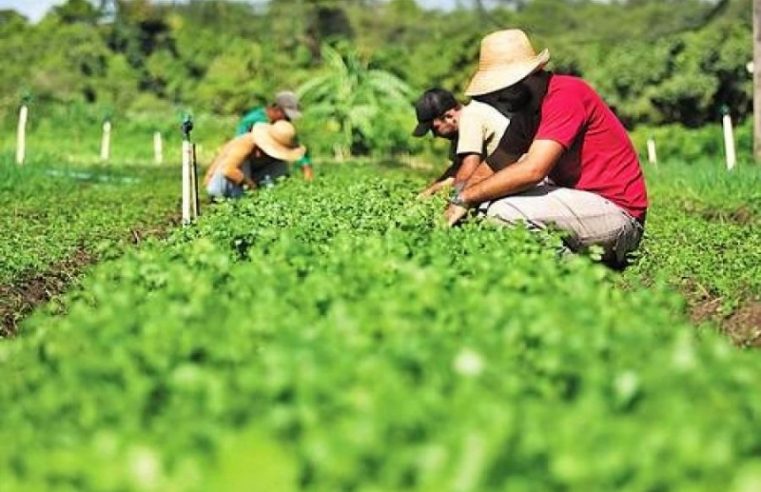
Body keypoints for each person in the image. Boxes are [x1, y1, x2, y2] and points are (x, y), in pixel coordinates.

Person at [445, 29, 648, 266]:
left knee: (504, 212)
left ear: (527, 76)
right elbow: (494, 164)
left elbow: (533, 171)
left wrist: (467, 197)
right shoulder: (526, 114)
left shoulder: (567, 94)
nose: (498, 99)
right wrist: (457, 200)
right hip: (582, 207)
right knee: (485, 205)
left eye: (502, 90)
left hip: (618, 215)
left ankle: (575, 277)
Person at [412, 88, 509, 197]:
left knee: (481, 208)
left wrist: (454, 199)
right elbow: (457, 168)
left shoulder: (470, 117)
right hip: (503, 178)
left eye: (435, 128)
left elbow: (469, 167)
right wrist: (430, 191)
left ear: (449, 116)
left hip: (516, 179)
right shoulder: (461, 127)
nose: (435, 135)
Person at [204, 120, 305, 199]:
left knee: (281, 167)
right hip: (221, 186)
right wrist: (252, 189)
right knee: (243, 163)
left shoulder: (274, 159)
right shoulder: (246, 143)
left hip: (250, 183)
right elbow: (228, 170)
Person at [236, 91, 314, 181]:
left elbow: (294, 146)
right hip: (248, 162)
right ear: (277, 109)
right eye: (286, 116)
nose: (288, 120)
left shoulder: (282, 126)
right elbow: (238, 146)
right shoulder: (252, 120)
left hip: (267, 164)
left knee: (282, 166)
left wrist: (306, 165)